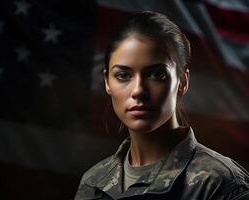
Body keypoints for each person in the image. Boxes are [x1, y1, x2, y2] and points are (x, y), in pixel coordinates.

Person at [75, 11, 249, 200]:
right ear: (107, 82)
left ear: (182, 81)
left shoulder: (220, 183)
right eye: (123, 75)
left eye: (157, 74)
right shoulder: (92, 182)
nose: (138, 90)